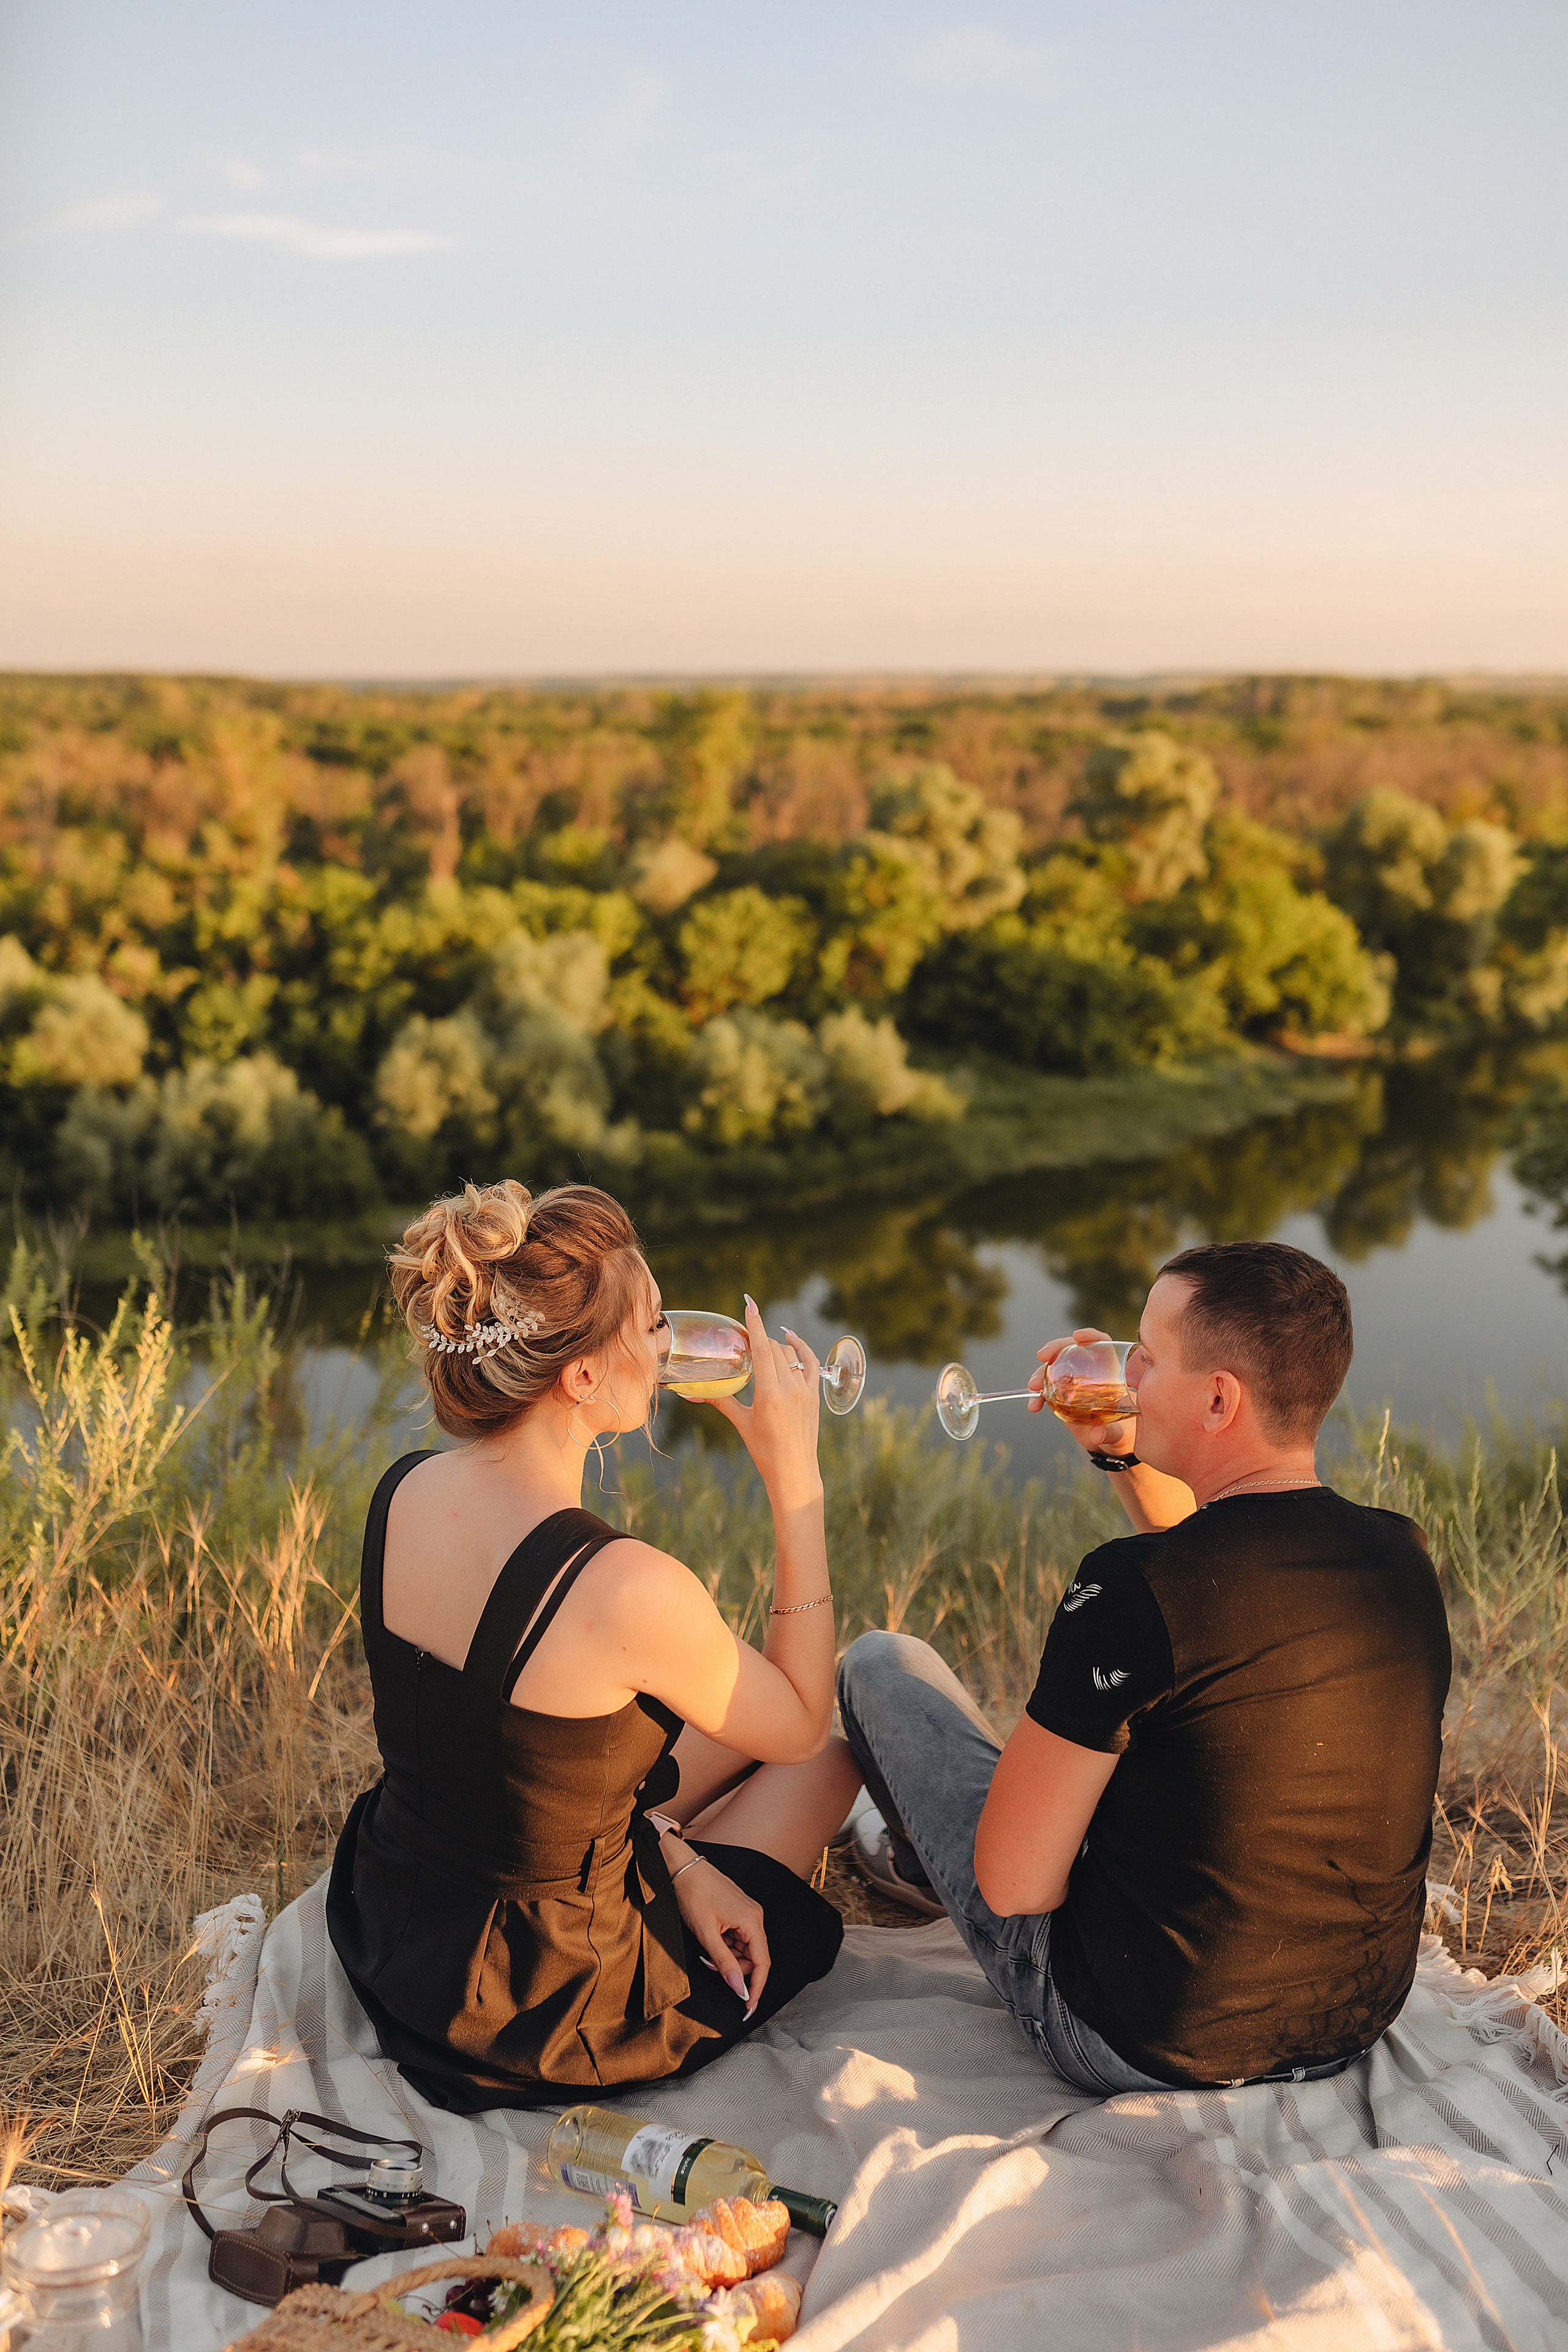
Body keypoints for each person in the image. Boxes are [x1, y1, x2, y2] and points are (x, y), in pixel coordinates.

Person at [837, 1239, 1450, 2093]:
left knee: (879, 1664)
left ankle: (914, 1863)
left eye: (1148, 1358)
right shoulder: (1402, 1556)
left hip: (1142, 2041)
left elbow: (1013, 1886)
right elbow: (1210, 1590)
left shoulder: (1127, 1588)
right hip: (1347, 2022)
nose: (1125, 1375)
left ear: (1218, 1397)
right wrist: (1120, 1450)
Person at [326, 1178, 856, 2111]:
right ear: (579, 1377)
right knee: (830, 1764)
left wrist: (678, 1857)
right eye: (652, 1327)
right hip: (538, 1999)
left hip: (401, 1917)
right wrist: (795, 1477)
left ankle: (669, 1850)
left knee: (720, 1732)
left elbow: (503, 1751)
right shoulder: (624, 1588)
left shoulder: (405, 1488)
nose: (667, 1349)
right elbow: (804, 1723)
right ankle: (668, 1873)